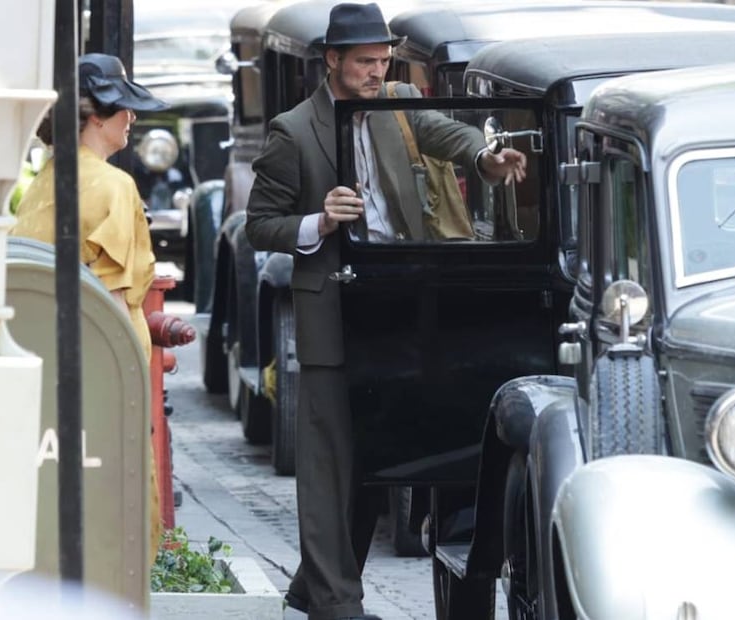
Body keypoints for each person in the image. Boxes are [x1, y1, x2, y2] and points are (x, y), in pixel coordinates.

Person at [244, 3, 526, 619]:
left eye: (383, 60)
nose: (377, 71)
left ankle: (312, 589)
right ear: (333, 61)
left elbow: (444, 133)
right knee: (329, 471)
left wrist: (485, 157)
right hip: (333, 316)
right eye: (365, 62)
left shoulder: (396, 100)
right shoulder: (293, 131)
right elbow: (257, 227)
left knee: (377, 459)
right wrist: (319, 220)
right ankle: (336, 605)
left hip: (397, 306)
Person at [11, 52, 168, 561]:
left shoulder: (44, 182)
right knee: (117, 497)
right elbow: (120, 302)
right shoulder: (113, 185)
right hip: (105, 366)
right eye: (125, 107)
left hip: (51, 357)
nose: (133, 118)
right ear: (99, 116)